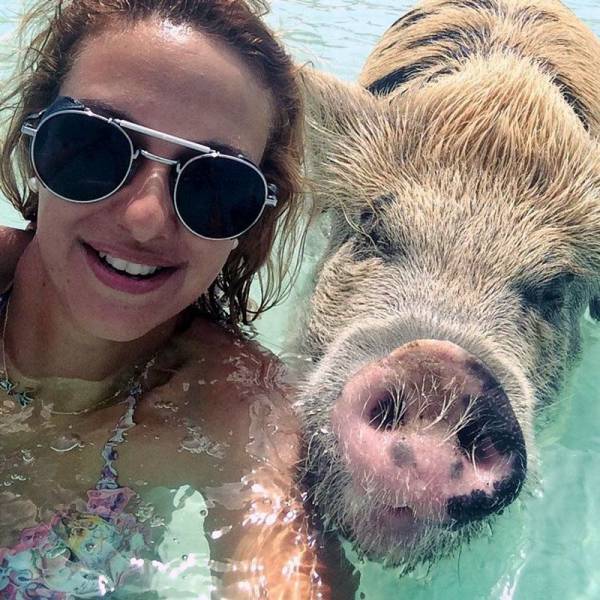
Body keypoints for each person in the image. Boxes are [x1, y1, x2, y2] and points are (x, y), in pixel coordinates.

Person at [0, 0, 326, 597]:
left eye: (214, 183)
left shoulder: (232, 413)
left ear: (251, 225)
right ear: (34, 145)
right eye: (97, 145)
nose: (146, 218)